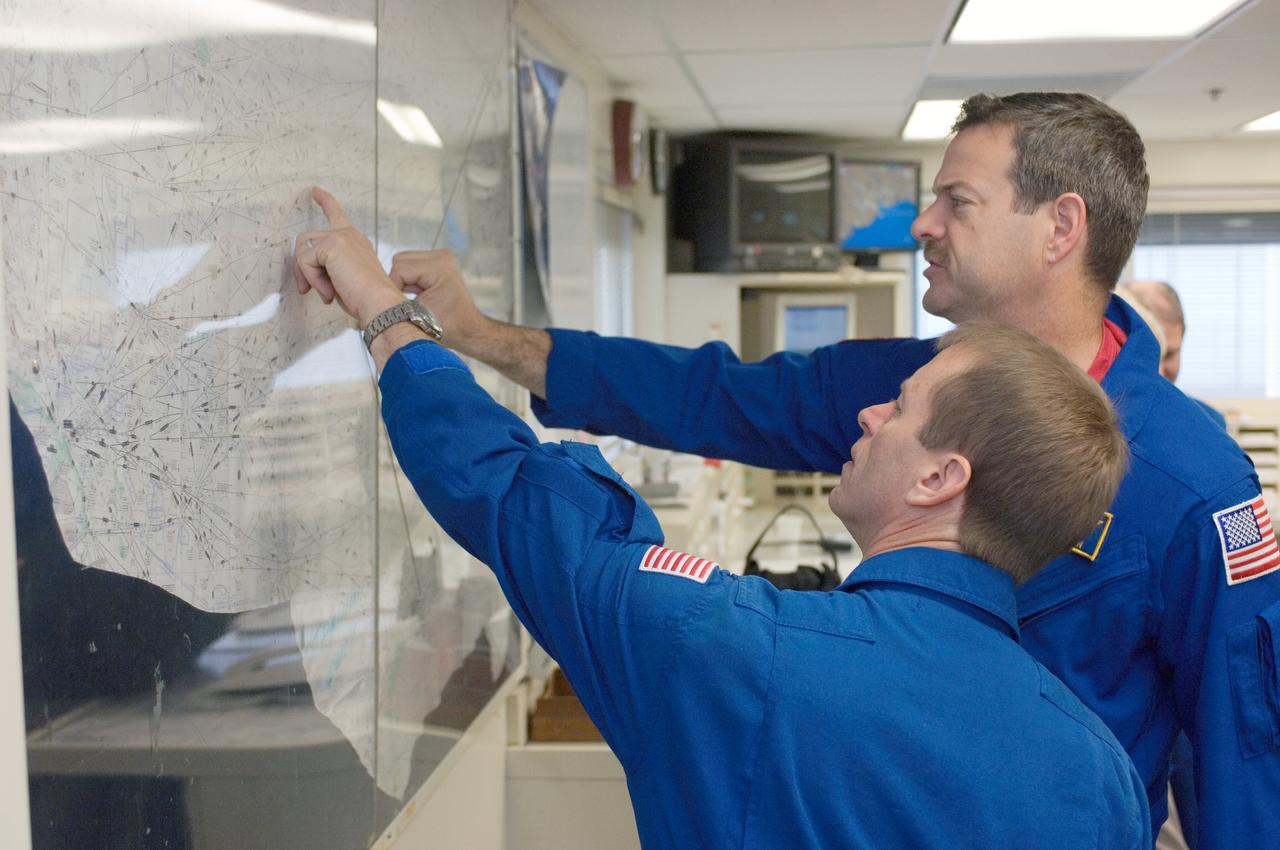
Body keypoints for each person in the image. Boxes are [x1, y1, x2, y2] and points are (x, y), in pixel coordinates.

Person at [377, 92, 1280, 847]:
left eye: (957, 202)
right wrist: (480, 337)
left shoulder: (1196, 486)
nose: (922, 224)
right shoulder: (910, 381)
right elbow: (710, 396)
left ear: (1061, 227)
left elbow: (1242, 761)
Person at [293, 187, 1148, 848]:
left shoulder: (740, 651)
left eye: (901, 410)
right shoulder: (1101, 769)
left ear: (940, 478)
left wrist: (387, 314)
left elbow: (518, 503)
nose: (867, 418)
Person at [1123, 279, 1227, 429]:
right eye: (1150, 355)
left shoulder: (1211, 424)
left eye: (1169, 355)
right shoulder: (1105, 428)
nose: (1160, 371)